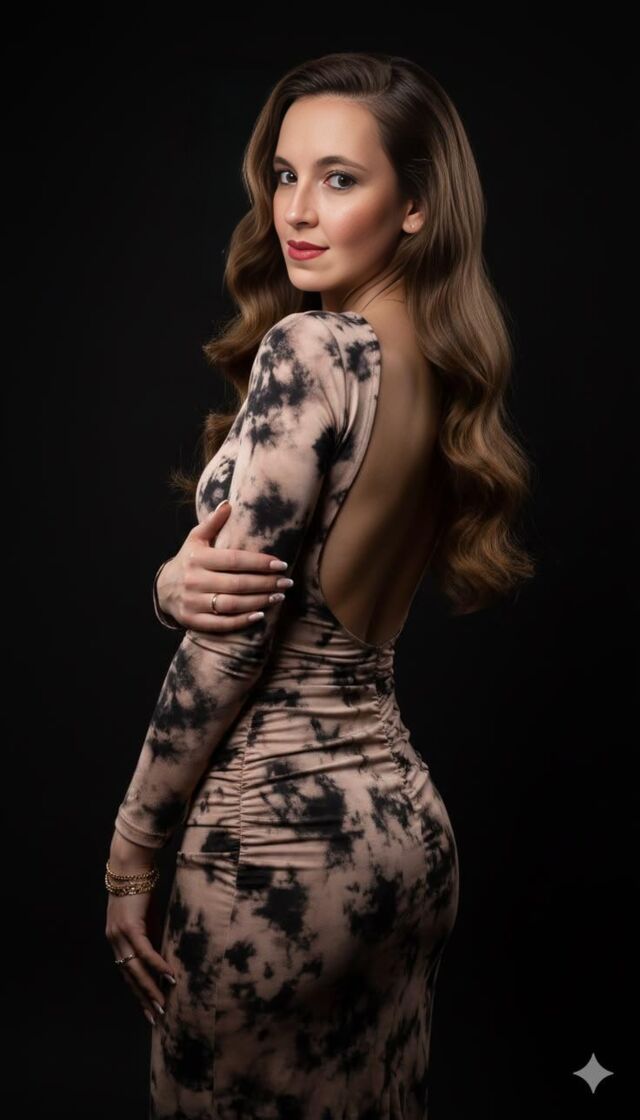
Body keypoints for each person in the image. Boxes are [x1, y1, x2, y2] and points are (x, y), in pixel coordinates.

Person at [105, 51, 535, 1119]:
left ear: (416, 205)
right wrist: (173, 582)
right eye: (284, 175)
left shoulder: (315, 348)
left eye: (339, 179)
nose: (296, 211)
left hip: (277, 851)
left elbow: (233, 638)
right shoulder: (439, 365)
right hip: (403, 834)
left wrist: (133, 850)